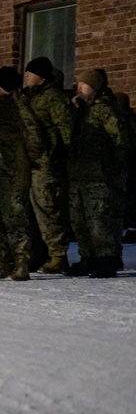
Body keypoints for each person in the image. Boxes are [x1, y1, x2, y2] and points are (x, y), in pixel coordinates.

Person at [68, 70, 131, 278]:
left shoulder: (107, 111)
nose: (79, 88)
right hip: (81, 174)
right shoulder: (82, 111)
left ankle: (107, 259)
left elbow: (122, 142)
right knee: (81, 219)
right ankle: (89, 257)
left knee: (101, 220)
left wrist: (113, 168)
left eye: (84, 85)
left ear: (94, 87)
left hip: (101, 176)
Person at [19, 56, 74, 273]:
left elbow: (66, 130)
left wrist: (58, 154)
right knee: (35, 211)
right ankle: (41, 254)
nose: (26, 76)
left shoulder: (53, 98)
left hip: (47, 164)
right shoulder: (31, 98)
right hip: (32, 162)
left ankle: (58, 255)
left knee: (49, 208)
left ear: (41, 78)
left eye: (30, 73)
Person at [0, 67, 35, 281]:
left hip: (15, 169)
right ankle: (3, 261)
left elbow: (32, 135)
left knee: (16, 218)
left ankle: (21, 262)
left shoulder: (18, 106)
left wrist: (33, 160)